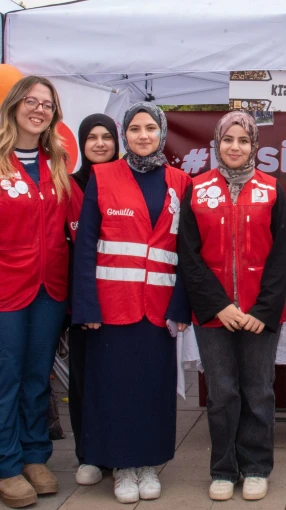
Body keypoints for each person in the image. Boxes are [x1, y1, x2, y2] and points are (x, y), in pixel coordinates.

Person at [72, 102, 191, 504]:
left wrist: (181, 306)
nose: (143, 135)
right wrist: (86, 306)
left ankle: (148, 464)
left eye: (150, 128)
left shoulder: (180, 182)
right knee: (115, 387)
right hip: (112, 306)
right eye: (136, 129)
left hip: (159, 307)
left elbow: (187, 251)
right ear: (125, 135)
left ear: (162, 133)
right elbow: (86, 246)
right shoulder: (103, 177)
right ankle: (122, 466)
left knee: (154, 388)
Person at [178, 111, 286, 502]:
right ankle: (224, 470)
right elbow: (189, 256)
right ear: (217, 143)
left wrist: (263, 311)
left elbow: (284, 257)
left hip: (259, 316)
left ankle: (257, 467)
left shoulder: (272, 190)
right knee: (222, 393)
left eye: (243, 140)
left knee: (258, 391)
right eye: (228, 139)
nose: (235, 147)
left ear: (254, 146)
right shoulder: (196, 189)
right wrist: (218, 306)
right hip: (214, 316)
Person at [0, 76, 70, 509]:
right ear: (13, 106)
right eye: (31, 101)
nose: (39, 109)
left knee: (37, 376)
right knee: (5, 378)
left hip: (50, 288)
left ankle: (34, 455)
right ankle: (6, 463)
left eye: (47, 104)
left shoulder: (56, 162)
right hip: (6, 288)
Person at [65, 113, 119, 487]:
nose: (100, 144)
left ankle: (117, 450)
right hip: (80, 302)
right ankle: (88, 455)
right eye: (92, 138)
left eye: (106, 137)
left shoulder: (126, 183)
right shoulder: (67, 187)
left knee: (116, 379)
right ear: (82, 144)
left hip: (120, 300)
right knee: (84, 381)